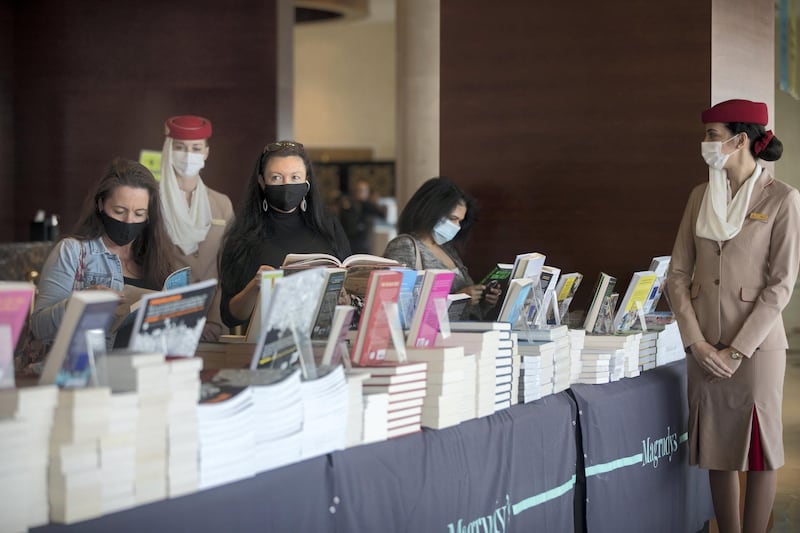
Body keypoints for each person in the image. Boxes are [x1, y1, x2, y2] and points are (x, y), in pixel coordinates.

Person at [666, 99, 800, 533]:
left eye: (712, 135)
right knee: (718, 449)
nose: (705, 143)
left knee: (759, 452)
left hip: (756, 349)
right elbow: (678, 274)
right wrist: (696, 342)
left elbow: (780, 285)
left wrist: (737, 350)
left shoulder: (782, 200)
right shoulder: (700, 196)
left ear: (740, 140)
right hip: (703, 345)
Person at [31, 158, 174, 344]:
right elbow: (39, 327)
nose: (129, 220)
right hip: (88, 368)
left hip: (144, 367)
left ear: (149, 215)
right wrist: (79, 304)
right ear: (100, 204)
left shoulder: (156, 258)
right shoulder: (71, 251)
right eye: (119, 210)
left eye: (139, 213)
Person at [219, 141, 351, 329]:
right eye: (276, 178)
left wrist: (345, 302)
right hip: (268, 345)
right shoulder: (243, 235)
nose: (287, 185)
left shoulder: (327, 225)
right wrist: (254, 287)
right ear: (262, 182)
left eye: (295, 177)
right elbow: (229, 315)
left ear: (307, 181)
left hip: (322, 342)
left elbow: (347, 287)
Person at [382, 176, 501, 318]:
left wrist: (484, 301)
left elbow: (468, 310)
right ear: (431, 211)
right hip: (432, 338)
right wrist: (457, 299)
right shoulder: (405, 246)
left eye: (460, 221)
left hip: (464, 334)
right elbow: (400, 307)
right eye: (452, 219)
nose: (457, 227)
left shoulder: (448, 249)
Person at [159, 115, 234, 341]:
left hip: (213, 323)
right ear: (169, 150)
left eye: (196, 148)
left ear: (206, 153)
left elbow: (228, 269)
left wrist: (214, 322)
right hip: (167, 321)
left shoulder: (221, 204)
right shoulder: (152, 201)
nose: (188, 155)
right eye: (180, 147)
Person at [339, 179, 387, 254]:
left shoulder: (369, 206)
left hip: (366, 243)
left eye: (363, 190)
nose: (361, 193)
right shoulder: (349, 206)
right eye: (359, 190)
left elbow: (382, 215)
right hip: (351, 242)